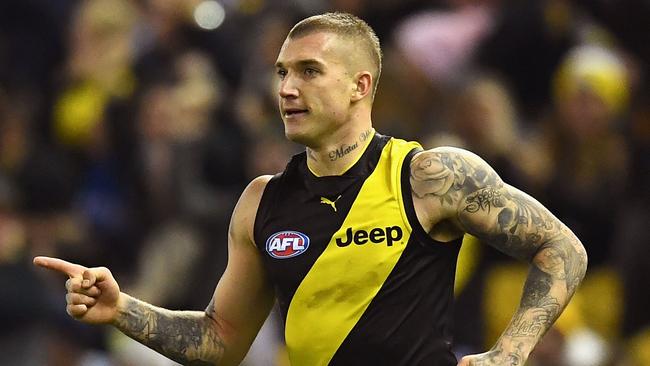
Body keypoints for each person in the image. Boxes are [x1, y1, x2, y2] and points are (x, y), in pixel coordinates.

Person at [34, 12, 588, 366]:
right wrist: (121, 308)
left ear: (360, 86)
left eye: (308, 71)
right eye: (281, 73)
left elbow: (563, 248)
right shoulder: (262, 201)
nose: (287, 88)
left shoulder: (427, 176)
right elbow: (221, 341)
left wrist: (510, 354)